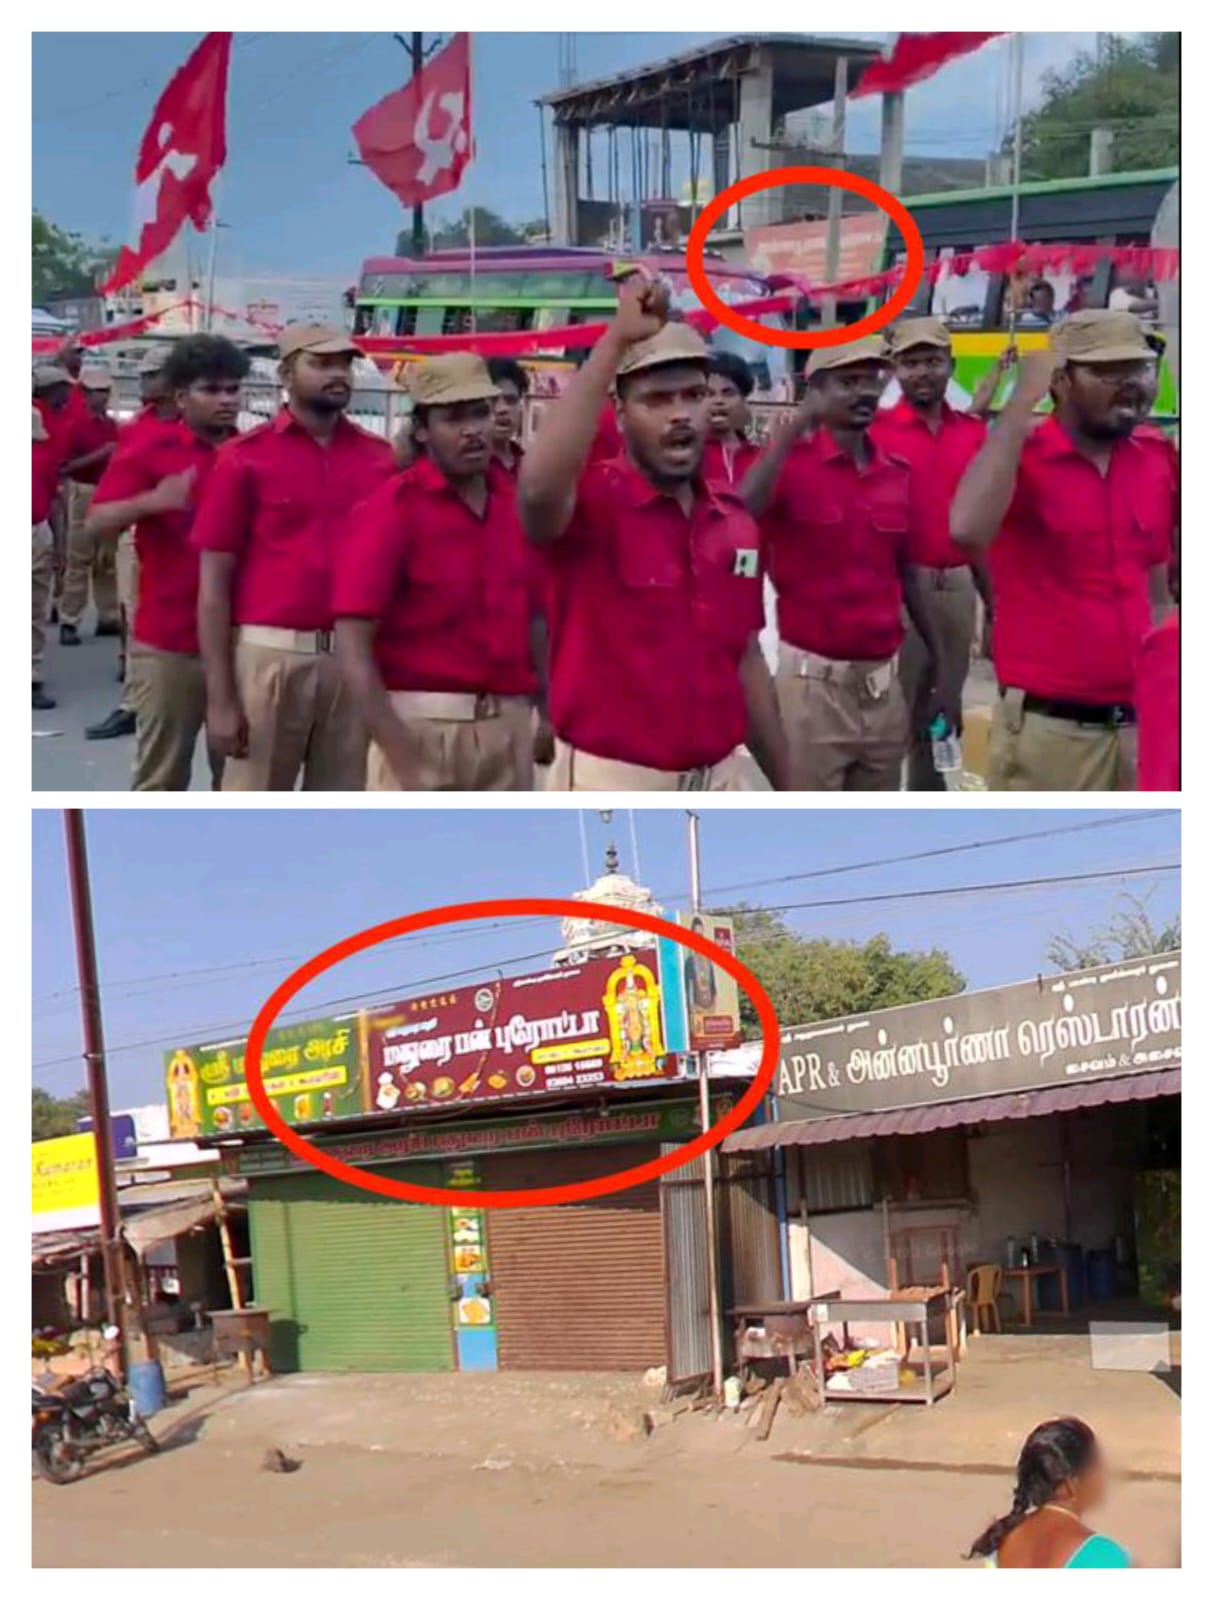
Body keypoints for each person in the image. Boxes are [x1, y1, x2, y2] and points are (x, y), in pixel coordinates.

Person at [518, 271, 788, 791]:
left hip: (722, 780)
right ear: (618, 413)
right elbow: (535, 491)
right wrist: (616, 340)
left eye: (692, 396)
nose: (680, 415)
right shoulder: (590, 507)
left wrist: (791, 789)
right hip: (612, 783)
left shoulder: (732, 520)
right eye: (656, 401)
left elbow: (746, 658)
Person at [951, 309, 1175, 791]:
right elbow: (967, 528)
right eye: (1109, 372)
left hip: (1148, 723)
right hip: (1051, 736)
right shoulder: (1020, 458)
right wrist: (1017, 406)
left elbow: (1158, 590)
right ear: (1060, 381)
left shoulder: (1155, 458)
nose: (1132, 384)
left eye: (1139, 369)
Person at [193, 324, 395, 791]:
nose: (338, 374)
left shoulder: (379, 459)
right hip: (269, 658)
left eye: (344, 363)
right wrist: (220, 698)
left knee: (347, 800)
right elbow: (213, 587)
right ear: (287, 374)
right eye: (321, 364)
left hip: (356, 659)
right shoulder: (243, 459)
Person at [741, 339, 947, 791]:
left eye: (872, 380)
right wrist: (794, 427)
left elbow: (909, 575)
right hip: (812, 690)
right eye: (848, 382)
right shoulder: (787, 466)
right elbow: (741, 512)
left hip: (882, 687)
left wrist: (940, 663)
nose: (865, 393)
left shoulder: (896, 472)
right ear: (815, 390)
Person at [334, 354, 544, 790]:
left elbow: (537, 619)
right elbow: (353, 643)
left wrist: (550, 710)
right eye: (454, 418)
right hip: (423, 724)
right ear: (423, 430)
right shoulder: (390, 511)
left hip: (510, 725)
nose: (473, 430)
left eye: (481, 413)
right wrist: (399, 751)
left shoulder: (517, 506)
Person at [86, 334, 249, 791]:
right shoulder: (148, 451)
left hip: (245, 643)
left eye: (233, 390)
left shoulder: (252, 453)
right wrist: (152, 501)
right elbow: (97, 521)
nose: (226, 400)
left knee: (239, 779)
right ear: (181, 397)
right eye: (211, 390)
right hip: (169, 643)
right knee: (161, 778)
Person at [870, 317, 992, 790]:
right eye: (912, 362)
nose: (923, 372)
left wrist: (993, 599)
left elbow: (986, 524)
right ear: (896, 370)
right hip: (899, 588)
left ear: (951, 366)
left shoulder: (974, 433)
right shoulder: (876, 432)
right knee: (894, 712)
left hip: (959, 586)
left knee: (944, 709)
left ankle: (929, 792)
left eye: (932, 361)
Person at [85, 347, 180, 742]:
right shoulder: (137, 427)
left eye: (152, 374)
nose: (143, 383)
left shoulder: (200, 430)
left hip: (184, 544)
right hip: (139, 536)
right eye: (142, 375)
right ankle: (134, 701)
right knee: (135, 616)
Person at [968, 1417, 1131, 1567]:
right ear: (1070, 1485)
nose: (1102, 1477)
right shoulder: (1104, 1556)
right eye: (1095, 1468)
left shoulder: (1000, 1545)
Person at [58, 368, 120, 646]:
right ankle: (69, 618)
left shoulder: (109, 425)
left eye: (105, 391)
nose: (103, 396)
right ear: (85, 393)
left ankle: (107, 615)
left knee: (106, 559)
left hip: (106, 491)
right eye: (97, 391)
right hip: (83, 490)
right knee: (79, 559)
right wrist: (101, 454)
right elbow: (65, 467)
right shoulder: (75, 425)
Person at [32, 402, 61, 710]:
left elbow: (54, 501)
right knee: (33, 611)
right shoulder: (42, 455)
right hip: (37, 530)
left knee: (34, 609)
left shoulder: (41, 457)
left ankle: (31, 673)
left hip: (36, 530)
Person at [702, 350, 760, 486]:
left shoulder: (760, 459)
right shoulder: (687, 459)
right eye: (709, 394)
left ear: (743, 400)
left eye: (728, 393)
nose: (718, 401)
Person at [486, 357, 528, 471]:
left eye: (511, 400)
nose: (502, 409)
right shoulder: (467, 470)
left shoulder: (529, 466)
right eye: (493, 400)